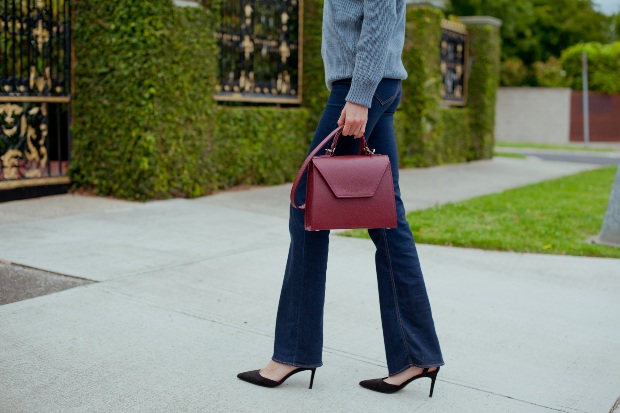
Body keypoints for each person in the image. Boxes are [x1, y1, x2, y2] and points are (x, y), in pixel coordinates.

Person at [237, 0, 444, 395]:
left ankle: (293, 352)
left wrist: (359, 95)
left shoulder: (361, 90)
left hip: (362, 88)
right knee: (387, 218)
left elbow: (378, 20)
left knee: (308, 205)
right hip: (369, 85)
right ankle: (417, 356)